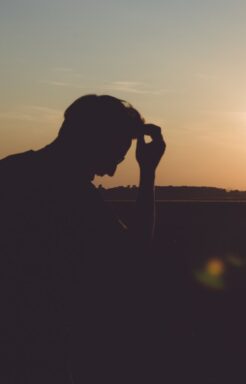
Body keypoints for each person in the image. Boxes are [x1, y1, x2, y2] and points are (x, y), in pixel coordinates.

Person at [0, 95, 166, 383]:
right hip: (38, 345)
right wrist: (148, 172)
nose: (111, 172)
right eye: (114, 156)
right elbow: (135, 252)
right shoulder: (72, 193)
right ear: (93, 141)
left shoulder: (10, 170)